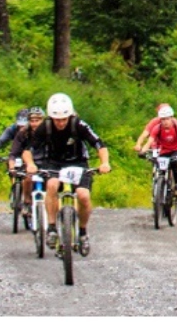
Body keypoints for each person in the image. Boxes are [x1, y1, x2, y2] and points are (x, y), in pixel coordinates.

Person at [15, 92, 109, 255]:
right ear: (51, 117)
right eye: (57, 119)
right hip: (54, 163)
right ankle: (51, 228)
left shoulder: (78, 124)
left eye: (64, 119)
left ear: (70, 116)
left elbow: (99, 144)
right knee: (51, 185)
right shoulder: (46, 126)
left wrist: (104, 162)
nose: (60, 123)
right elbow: (27, 150)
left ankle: (83, 232)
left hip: (78, 162)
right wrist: (30, 164)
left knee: (83, 195)